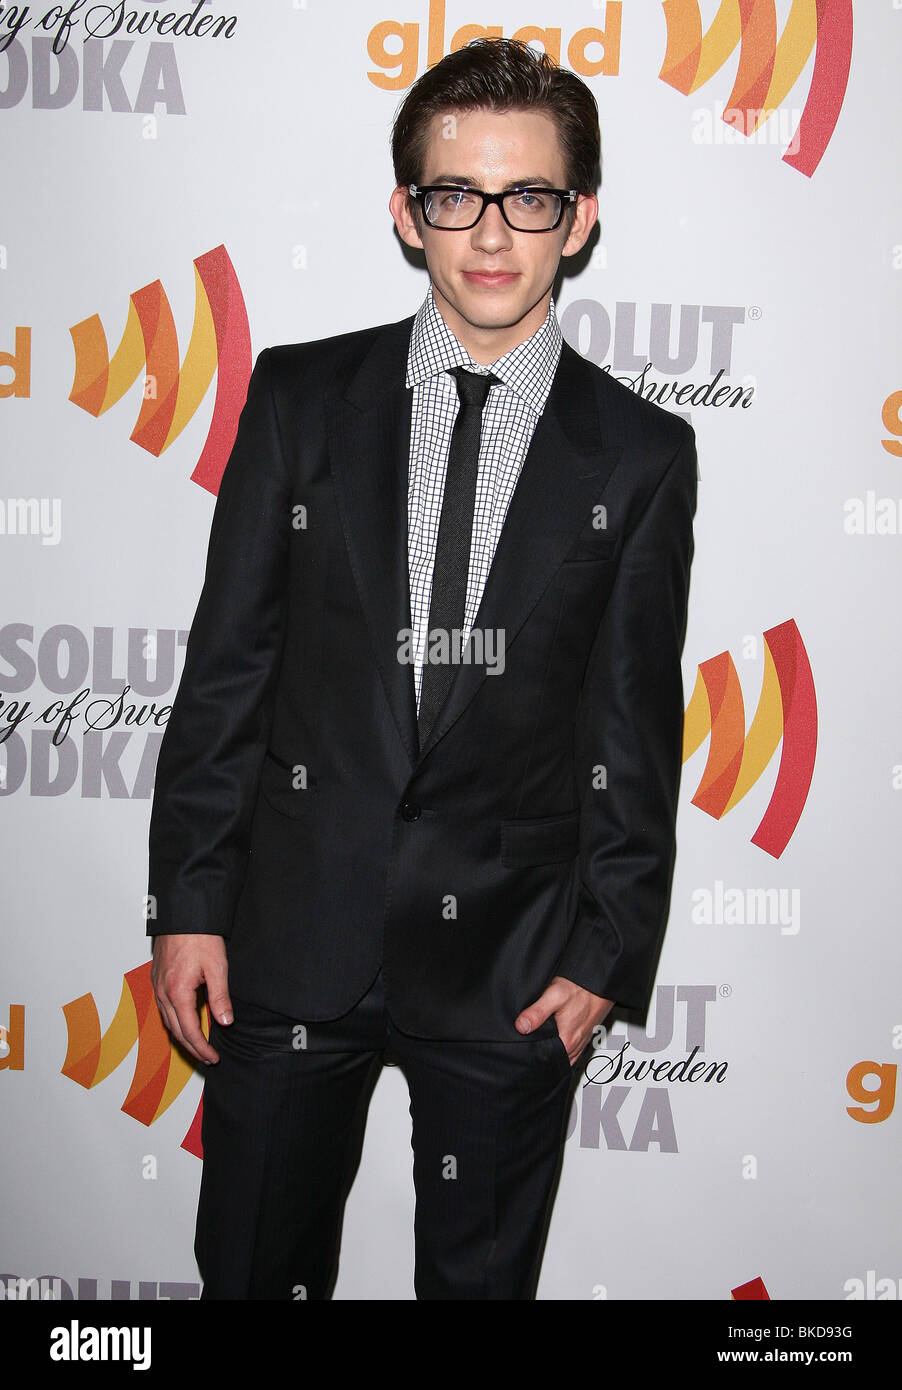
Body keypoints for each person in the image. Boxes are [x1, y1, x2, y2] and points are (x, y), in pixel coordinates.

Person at [147, 36, 697, 1300]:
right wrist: (188, 898)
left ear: (582, 216)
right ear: (406, 212)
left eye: (530, 199)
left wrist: (605, 952)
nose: (491, 234)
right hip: (286, 944)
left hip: (509, 971)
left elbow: (630, 723)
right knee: (251, 1273)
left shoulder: (639, 452)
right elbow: (228, 667)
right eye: (455, 196)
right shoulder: (297, 399)